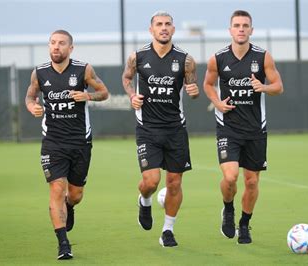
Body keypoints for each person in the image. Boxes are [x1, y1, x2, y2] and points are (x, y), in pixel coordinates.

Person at [25, 29, 109, 259]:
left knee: (76, 194)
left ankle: (69, 207)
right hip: (53, 142)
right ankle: (63, 243)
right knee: (56, 188)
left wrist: (88, 96)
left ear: (70, 48)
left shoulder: (84, 69)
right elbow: (30, 96)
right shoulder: (39, 73)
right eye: (52, 42)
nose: (56, 47)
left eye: (61, 43)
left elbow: (104, 92)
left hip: (80, 141)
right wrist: (32, 106)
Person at [203, 10, 284, 244]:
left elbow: (278, 86)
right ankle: (228, 208)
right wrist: (217, 102)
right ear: (230, 30)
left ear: (251, 30)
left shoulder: (263, 57)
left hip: (255, 129)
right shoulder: (218, 58)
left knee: (251, 181)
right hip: (228, 128)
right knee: (230, 178)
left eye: (245, 25)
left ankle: (245, 224)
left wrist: (264, 87)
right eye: (236, 25)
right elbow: (208, 84)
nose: (241, 29)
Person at [121, 11, 199, 247]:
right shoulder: (137, 57)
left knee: (174, 183)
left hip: (175, 129)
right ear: (151, 30)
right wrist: (132, 95)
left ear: (173, 29)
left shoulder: (186, 60)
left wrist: (194, 92)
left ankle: (168, 230)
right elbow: (126, 79)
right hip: (148, 129)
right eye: (159, 25)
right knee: (152, 181)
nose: (163, 28)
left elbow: (191, 86)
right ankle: (144, 200)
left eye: (167, 24)